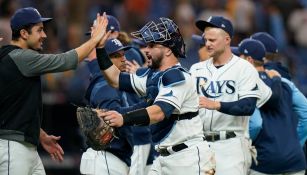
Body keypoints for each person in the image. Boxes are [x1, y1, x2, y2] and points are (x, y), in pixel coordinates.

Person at [94, 17, 215, 175]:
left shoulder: (178, 77)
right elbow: (115, 79)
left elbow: (158, 112)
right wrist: (101, 48)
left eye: (151, 45)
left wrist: (123, 119)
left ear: (168, 49)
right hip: (164, 157)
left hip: (188, 159)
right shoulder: (153, 76)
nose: (146, 51)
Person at [0, 7, 109, 174]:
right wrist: (94, 40)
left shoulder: (15, 59)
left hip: (24, 146)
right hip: (12, 147)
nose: (44, 35)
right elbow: (64, 60)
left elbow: (16, 108)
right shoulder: (21, 58)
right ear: (23, 33)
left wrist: (40, 134)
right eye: (39, 30)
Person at [191, 16, 271, 175]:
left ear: (227, 39)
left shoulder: (244, 68)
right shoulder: (195, 69)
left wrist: (216, 104)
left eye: (212, 40)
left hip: (230, 145)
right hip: (200, 145)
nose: (207, 44)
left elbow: (248, 106)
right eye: (206, 40)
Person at [238, 38, 307, 175]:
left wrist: (244, 146)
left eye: (240, 58)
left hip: (265, 160)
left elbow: (256, 123)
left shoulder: (248, 84)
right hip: (295, 160)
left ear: (249, 60)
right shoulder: (284, 82)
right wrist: (295, 145)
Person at [80, 38, 137, 175]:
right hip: (106, 159)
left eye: (123, 54)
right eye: (116, 56)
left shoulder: (117, 84)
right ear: (104, 60)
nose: (123, 59)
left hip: (108, 160)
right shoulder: (105, 85)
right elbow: (114, 116)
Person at [251, 32, 307, 146]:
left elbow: (255, 123)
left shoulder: (263, 78)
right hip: (291, 152)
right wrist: (296, 145)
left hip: (268, 151)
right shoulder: (285, 77)